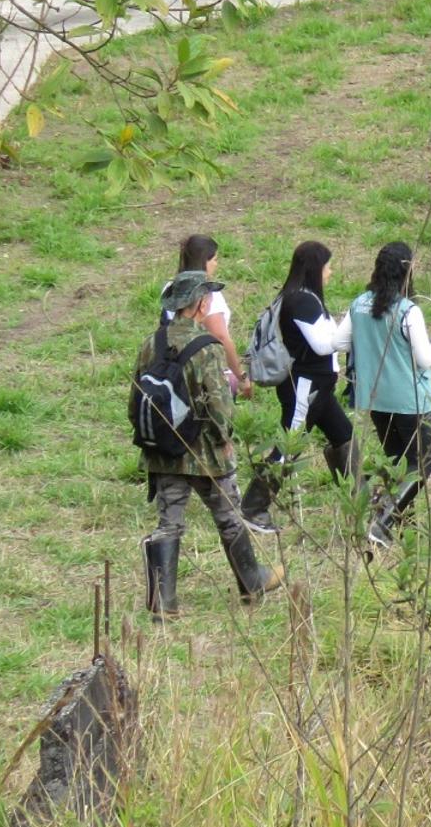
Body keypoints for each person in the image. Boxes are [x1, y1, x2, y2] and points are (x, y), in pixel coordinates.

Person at [140, 272, 284, 620]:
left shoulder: (152, 342)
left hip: (163, 448)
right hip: (204, 452)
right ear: (201, 304)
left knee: (168, 521)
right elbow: (220, 405)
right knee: (228, 515)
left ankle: (163, 603)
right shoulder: (207, 348)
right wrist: (226, 440)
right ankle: (252, 581)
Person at [239, 240, 355, 534]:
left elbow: (327, 337)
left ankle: (358, 500)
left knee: (344, 436)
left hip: (319, 388)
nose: (331, 271)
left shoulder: (306, 299)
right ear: (316, 269)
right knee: (288, 445)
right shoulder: (301, 301)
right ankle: (253, 508)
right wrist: (355, 316)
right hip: (305, 387)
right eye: (328, 266)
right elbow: (323, 344)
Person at [348, 242, 431, 549]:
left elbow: (340, 342)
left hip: (376, 400)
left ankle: (404, 526)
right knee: (423, 463)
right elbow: (426, 359)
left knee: (398, 462)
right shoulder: (409, 311)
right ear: (407, 270)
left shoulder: (359, 304)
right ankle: (384, 522)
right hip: (410, 401)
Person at [162, 235, 250, 399]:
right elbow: (221, 336)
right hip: (202, 370)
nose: (217, 264)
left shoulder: (170, 288)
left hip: (172, 366)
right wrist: (241, 376)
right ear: (204, 262)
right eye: (215, 259)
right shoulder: (209, 295)